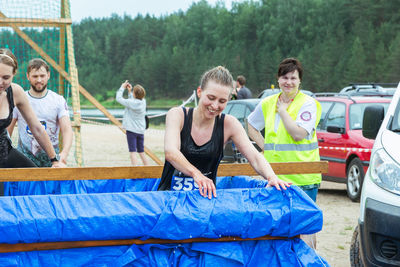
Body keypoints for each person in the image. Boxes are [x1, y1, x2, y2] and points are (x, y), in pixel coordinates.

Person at [158, 66, 290, 199]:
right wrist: (197, 175)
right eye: (211, 98)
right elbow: (171, 152)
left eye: (222, 101)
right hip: (170, 200)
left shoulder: (229, 124)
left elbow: (254, 156)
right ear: (199, 92)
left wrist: (271, 176)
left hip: (204, 202)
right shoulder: (178, 115)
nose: (215, 106)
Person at [247, 58, 321, 248]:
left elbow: (298, 134)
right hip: (274, 177)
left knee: (304, 230)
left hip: (303, 178)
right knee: (277, 228)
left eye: (293, 78)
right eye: (284, 77)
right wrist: (264, 146)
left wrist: (283, 112)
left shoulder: (309, 104)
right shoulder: (267, 103)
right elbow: (251, 126)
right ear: (278, 79)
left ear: (299, 81)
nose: (289, 82)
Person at [7, 58, 73, 167]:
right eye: (35, 76)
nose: (39, 80)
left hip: (51, 158)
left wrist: (64, 155)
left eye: (42, 76)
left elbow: (67, 130)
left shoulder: (58, 100)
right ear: (28, 76)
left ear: (48, 75)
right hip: (25, 157)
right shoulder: (19, 99)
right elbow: (7, 131)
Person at [116, 80, 149, 166]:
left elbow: (118, 98)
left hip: (132, 131)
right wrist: (130, 92)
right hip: (140, 131)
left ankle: (135, 172)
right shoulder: (143, 101)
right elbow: (134, 100)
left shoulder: (131, 103)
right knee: (141, 151)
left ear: (135, 94)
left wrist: (122, 88)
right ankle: (149, 170)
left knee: (133, 152)